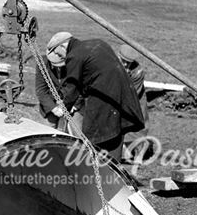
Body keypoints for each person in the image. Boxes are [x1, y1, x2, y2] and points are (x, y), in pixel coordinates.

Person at [46, 31, 145, 160]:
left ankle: (97, 171)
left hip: (103, 103)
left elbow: (73, 86)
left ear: (63, 46)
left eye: (59, 54)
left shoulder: (74, 56)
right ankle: (114, 171)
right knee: (116, 136)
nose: (62, 58)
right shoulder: (98, 43)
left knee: (96, 140)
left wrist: (63, 107)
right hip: (123, 99)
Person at [33, 51, 66, 128]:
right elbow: (40, 90)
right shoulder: (43, 63)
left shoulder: (74, 63)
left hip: (70, 103)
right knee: (47, 131)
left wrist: (71, 104)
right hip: (50, 104)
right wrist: (54, 108)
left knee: (72, 134)